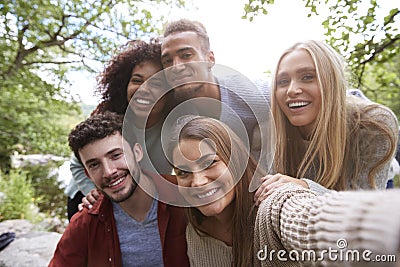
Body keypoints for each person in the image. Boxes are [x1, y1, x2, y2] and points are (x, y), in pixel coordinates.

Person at [168, 115, 400, 267]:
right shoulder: (194, 233)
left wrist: (382, 224)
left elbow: (312, 223)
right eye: (183, 172)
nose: (198, 181)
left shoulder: (270, 203)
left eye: (210, 163)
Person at [49, 112, 188, 267]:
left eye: (115, 155)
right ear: (87, 174)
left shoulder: (183, 195)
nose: (108, 172)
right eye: (94, 165)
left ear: (137, 152)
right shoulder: (85, 223)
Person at [261, 40, 398, 194]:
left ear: (332, 81)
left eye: (307, 77)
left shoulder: (375, 124)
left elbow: (365, 206)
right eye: (283, 81)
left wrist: (305, 187)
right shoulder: (269, 129)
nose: (292, 90)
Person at [66, 40, 174, 219]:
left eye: (156, 83)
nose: (144, 89)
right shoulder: (110, 120)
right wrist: (92, 191)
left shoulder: (174, 128)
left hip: (139, 204)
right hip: (91, 198)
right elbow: (76, 163)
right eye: (137, 80)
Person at [160, 19, 272, 165]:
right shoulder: (176, 116)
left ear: (210, 59)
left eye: (186, 55)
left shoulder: (248, 92)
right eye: (167, 61)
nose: (176, 67)